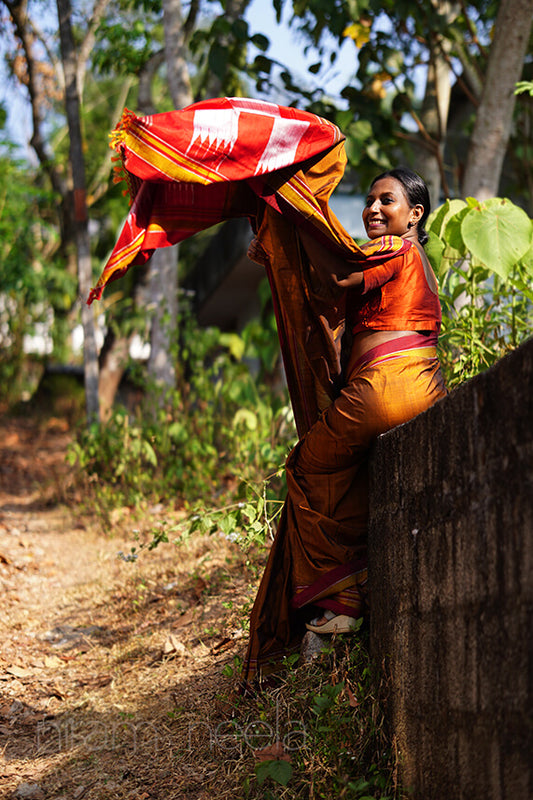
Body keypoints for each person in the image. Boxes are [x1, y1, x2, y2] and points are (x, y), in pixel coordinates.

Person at [241, 167, 447, 687]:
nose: (374, 209)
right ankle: (345, 591)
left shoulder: (397, 249)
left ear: (414, 215)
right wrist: (276, 245)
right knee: (352, 476)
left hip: (386, 386)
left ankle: (342, 595)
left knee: (306, 466)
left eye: (388, 201)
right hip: (418, 386)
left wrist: (289, 218)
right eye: (370, 200)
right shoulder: (409, 260)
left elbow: (336, 275)